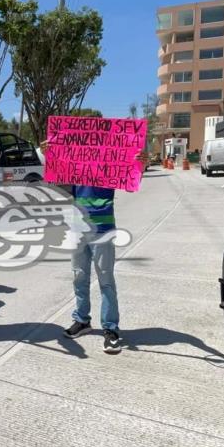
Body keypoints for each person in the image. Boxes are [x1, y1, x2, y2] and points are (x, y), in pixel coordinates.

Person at [42, 141, 147, 354]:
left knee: (105, 279)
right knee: (79, 276)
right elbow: (55, 181)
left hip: (103, 228)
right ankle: (82, 320)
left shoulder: (111, 163)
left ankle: (111, 328)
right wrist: (49, 155)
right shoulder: (74, 164)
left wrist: (140, 164)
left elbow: (131, 180)